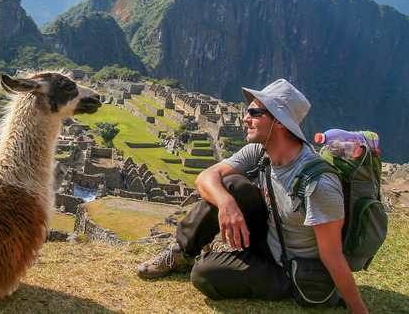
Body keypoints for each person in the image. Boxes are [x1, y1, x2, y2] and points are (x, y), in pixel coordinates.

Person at [136, 79, 368, 313]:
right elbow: (205, 178)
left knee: (204, 274)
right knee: (230, 185)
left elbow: (332, 256)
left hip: (289, 269)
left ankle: (226, 266)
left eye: (254, 113)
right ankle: (181, 254)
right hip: (266, 238)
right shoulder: (261, 151)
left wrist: (357, 308)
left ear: (279, 122)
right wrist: (226, 203)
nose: (245, 118)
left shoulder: (317, 183)